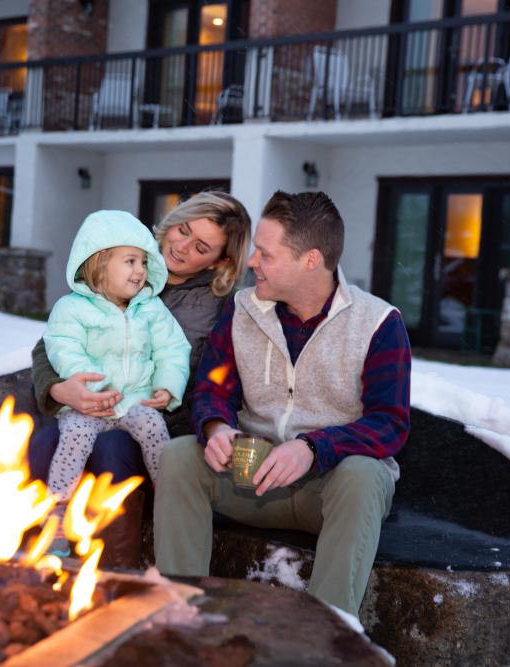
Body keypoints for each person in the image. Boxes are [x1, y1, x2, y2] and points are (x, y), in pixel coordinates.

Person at [153, 190, 411, 620]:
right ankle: (179, 616)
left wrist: (315, 447)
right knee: (180, 455)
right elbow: (213, 387)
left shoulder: (379, 323)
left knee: (366, 475)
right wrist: (216, 427)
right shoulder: (241, 311)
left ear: (310, 260)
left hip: (331, 485)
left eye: (265, 254)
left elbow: (390, 424)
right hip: (249, 474)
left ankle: (328, 632)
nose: (252, 262)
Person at [28, 191, 252, 566]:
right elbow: (52, 343)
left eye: (201, 247)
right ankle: (46, 543)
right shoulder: (118, 255)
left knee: (112, 448)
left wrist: (168, 391)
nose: (181, 247)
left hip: (161, 422)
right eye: (182, 230)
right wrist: (60, 388)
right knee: (45, 439)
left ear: (220, 262)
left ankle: (113, 566)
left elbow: (192, 367)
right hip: (91, 401)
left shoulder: (220, 308)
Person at [42, 209, 191, 509]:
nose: (140, 271)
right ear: (99, 264)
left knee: (154, 428)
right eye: (130, 262)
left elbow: (172, 349)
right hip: (89, 406)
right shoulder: (71, 308)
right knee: (74, 437)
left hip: (136, 401)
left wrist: (167, 386)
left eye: (144, 262)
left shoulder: (151, 308)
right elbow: (64, 346)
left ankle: (168, 503)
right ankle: (56, 509)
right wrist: (93, 386)